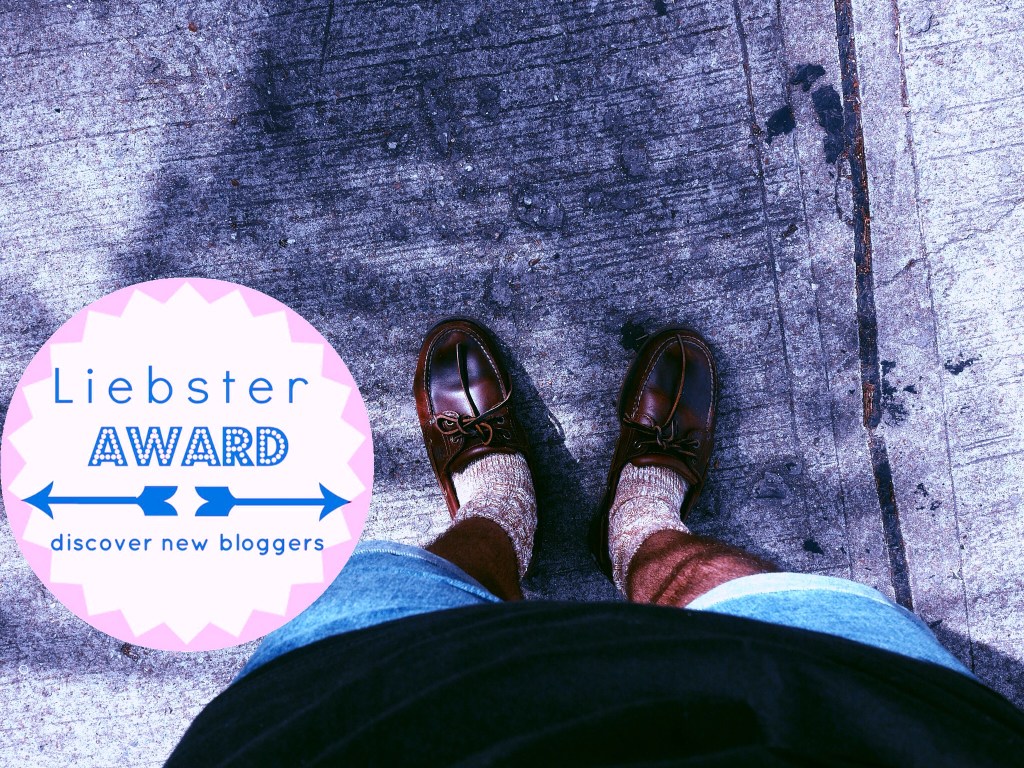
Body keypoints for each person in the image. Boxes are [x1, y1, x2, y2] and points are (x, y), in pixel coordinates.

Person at [166, 319, 1024, 767]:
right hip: (849, 731)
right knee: (738, 593)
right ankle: (643, 520)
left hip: (364, 734)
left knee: (399, 598)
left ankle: (498, 509)